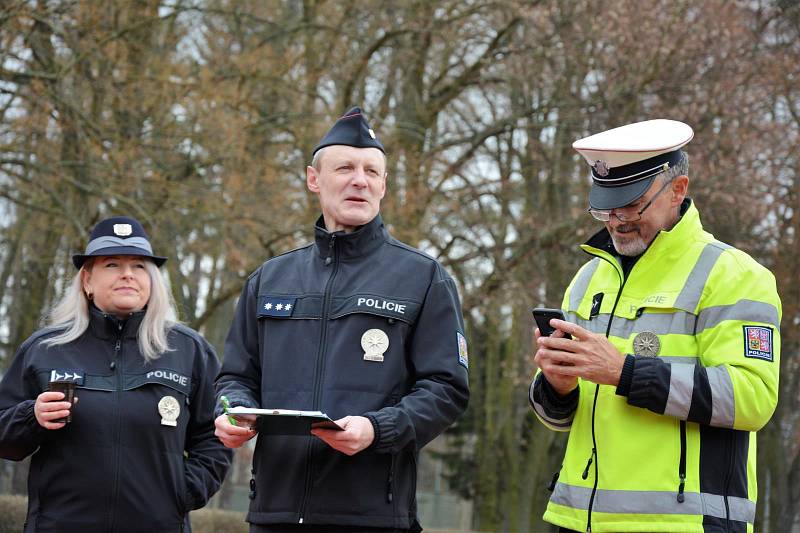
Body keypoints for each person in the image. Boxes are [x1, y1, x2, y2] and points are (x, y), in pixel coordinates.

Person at [214, 106, 470, 533]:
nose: (360, 180)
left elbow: (446, 390)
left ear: (384, 185)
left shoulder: (424, 278)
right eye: (345, 167)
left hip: (372, 515)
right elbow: (235, 377)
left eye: (372, 171)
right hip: (273, 513)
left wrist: (377, 428)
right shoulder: (270, 279)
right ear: (314, 179)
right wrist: (231, 412)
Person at [528, 119, 781, 533]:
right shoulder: (588, 279)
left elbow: (753, 399)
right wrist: (556, 386)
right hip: (575, 520)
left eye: (631, 204)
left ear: (677, 190)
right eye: (605, 206)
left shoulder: (734, 275)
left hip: (686, 523)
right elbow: (556, 418)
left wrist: (624, 373)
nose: (616, 220)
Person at [0, 216, 232, 533]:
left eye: (139, 266)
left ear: (152, 280)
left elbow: (218, 435)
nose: (127, 275)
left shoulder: (190, 351)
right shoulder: (45, 349)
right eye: (111, 264)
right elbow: (4, 439)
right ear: (87, 280)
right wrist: (32, 417)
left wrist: (183, 490)